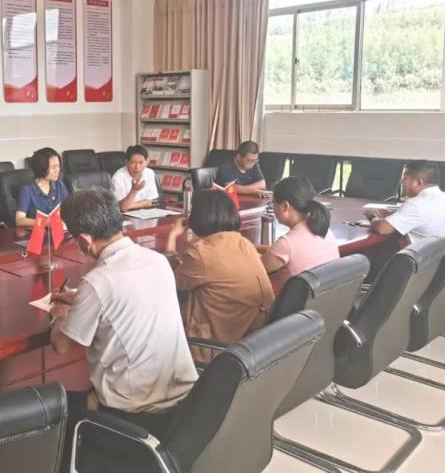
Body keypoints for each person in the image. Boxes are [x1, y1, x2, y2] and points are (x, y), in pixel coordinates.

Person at [49, 188, 197, 454]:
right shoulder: (157, 261)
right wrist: (82, 299)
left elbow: (61, 345)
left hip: (132, 418)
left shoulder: (98, 282)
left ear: (84, 240)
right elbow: (128, 298)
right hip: (184, 408)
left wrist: (60, 314)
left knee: (50, 410)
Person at [166, 190, 274, 352]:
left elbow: (170, 282)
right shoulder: (243, 243)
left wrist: (172, 237)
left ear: (197, 217)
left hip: (217, 347)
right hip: (254, 340)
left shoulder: (200, 253)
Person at [261, 176, 339, 293]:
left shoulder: (287, 243)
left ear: (285, 206)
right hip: (327, 300)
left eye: (273, 202)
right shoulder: (325, 230)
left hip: (296, 303)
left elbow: (256, 270)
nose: (273, 207)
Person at [366, 160, 445, 243]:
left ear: (418, 183)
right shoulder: (443, 197)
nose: (402, 182)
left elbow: (382, 228)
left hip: (427, 259)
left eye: (405, 179)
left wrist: (372, 217)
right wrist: (394, 214)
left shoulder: (416, 204)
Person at [15, 147, 70, 227]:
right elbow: (19, 220)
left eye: (58, 166)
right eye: (53, 167)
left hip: (59, 230)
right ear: (41, 168)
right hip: (37, 232)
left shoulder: (59, 185)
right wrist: (45, 223)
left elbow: (69, 209)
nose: (57, 170)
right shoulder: (27, 191)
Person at [110, 144, 160, 211]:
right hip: (125, 215)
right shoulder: (118, 178)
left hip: (145, 213)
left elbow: (153, 201)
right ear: (126, 162)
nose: (137, 167)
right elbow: (122, 208)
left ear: (147, 161)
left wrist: (131, 205)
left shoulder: (150, 173)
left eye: (141, 162)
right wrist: (134, 190)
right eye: (133, 162)